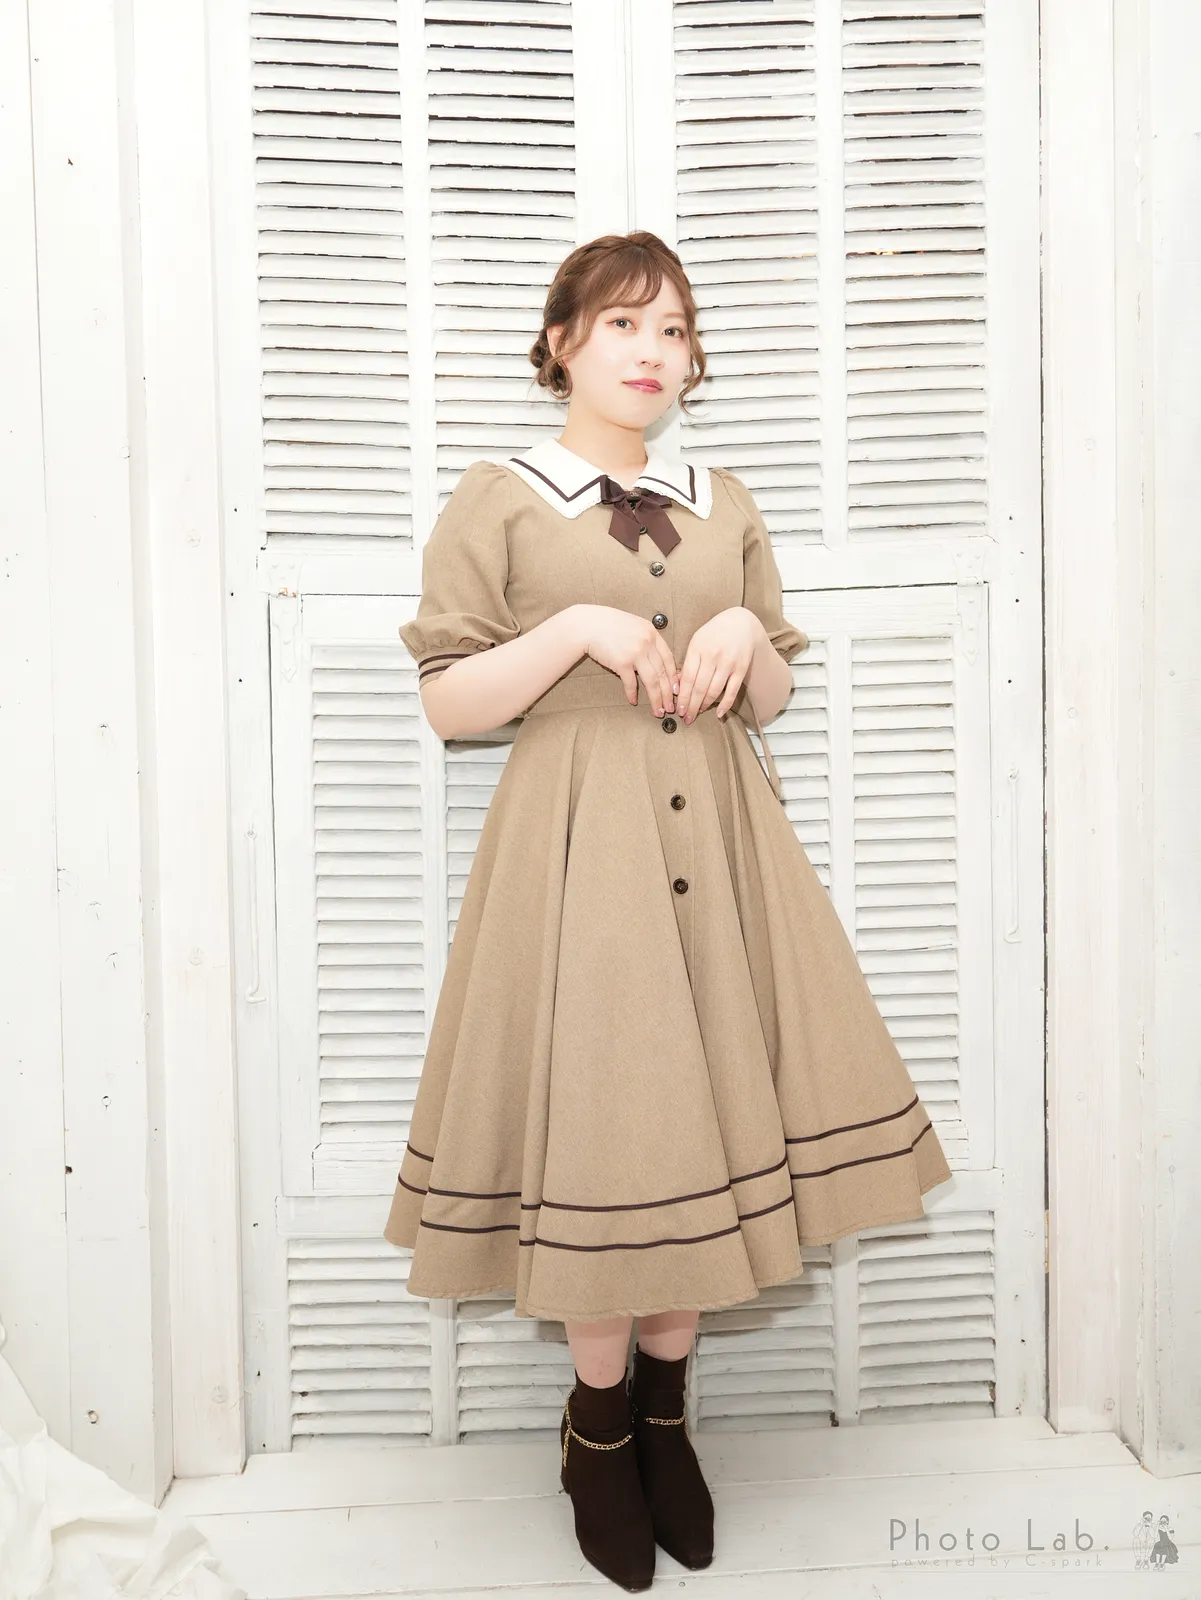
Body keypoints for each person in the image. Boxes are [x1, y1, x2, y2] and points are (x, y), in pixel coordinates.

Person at [383, 231, 952, 1591]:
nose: (653, 353)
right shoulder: (501, 500)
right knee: (608, 1121)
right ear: (563, 342)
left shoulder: (721, 500)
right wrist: (578, 630)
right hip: (581, 854)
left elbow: (771, 694)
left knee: (710, 1112)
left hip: (721, 842)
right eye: (625, 325)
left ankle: (666, 1416)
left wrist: (745, 636)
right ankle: (597, 1429)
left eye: (675, 330)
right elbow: (450, 702)